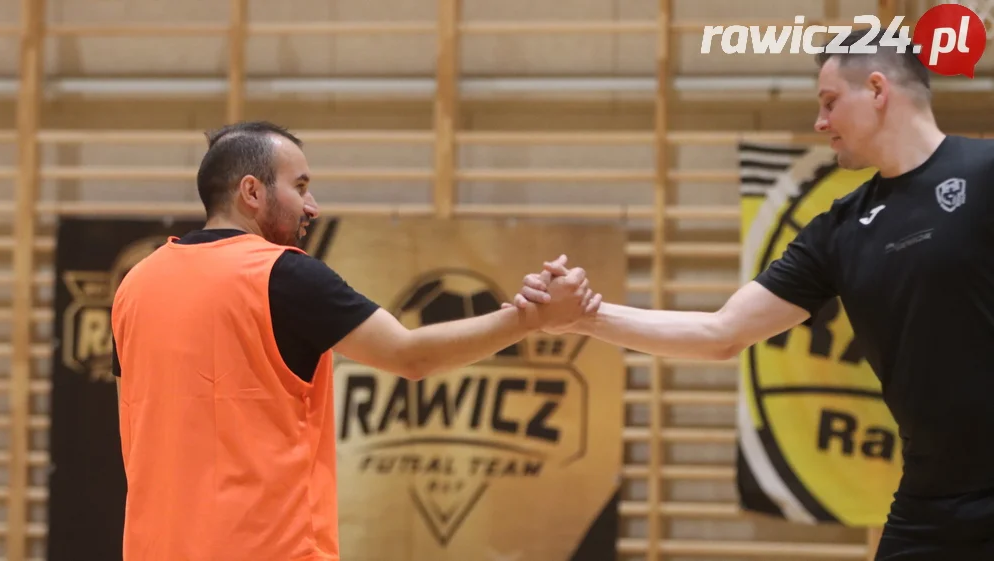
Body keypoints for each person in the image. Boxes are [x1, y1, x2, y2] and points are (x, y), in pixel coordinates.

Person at [512, 29, 994, 561]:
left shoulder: (985, 173)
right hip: (932, 503)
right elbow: (720, 334)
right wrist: (581, 318)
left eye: (830, 103)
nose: (820, 123)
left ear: (877, 90)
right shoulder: (840, 230)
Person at [109, 120, 601, 561]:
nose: (312, 206)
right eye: (300, 187)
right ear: (252, 192)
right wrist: (529, 319)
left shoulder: (135, 285)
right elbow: (409, 355)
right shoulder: (284, 274)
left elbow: (135, 431)